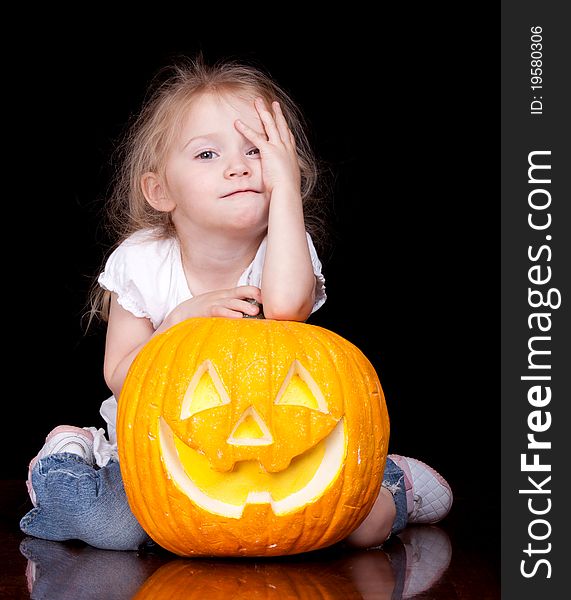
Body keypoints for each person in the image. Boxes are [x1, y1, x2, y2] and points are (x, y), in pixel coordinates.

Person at [20, 55, 453, 552]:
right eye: (207, 154)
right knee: (115, 529)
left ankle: (393, 481)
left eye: (256, 151)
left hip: (277, 453)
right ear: (160, 190)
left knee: (364, 528)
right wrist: (177, 324)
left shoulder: (284, 246)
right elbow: (119, 373)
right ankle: (65, 456)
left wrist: (285, 187)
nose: (238, 167)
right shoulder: (141, 260)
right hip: (155, 457)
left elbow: (288, 309)